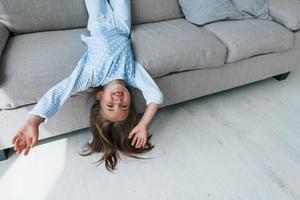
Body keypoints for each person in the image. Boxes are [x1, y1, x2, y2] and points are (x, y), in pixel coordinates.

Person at [11, 0, 164, 171]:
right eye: (124, 105)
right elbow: (155, 96)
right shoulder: (132, 75)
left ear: (99, 97)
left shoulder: (91, 76)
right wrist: (143, 124)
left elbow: (60, 93)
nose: (118, 100)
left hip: (98, 24)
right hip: (122, 25)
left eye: (110, 106)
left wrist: (34, 121)